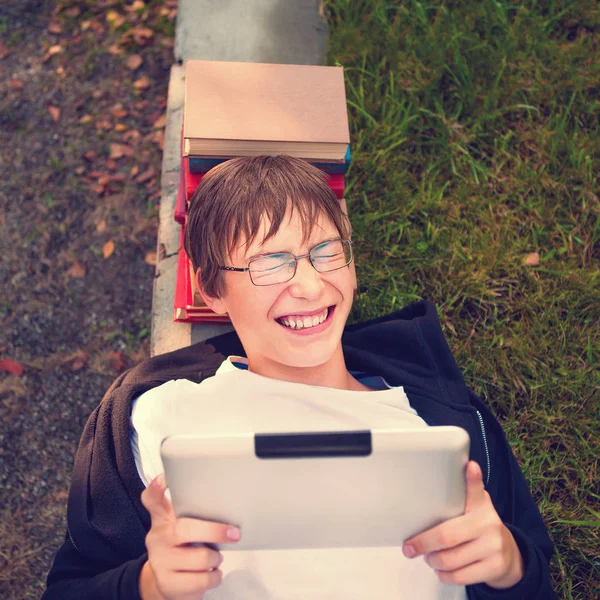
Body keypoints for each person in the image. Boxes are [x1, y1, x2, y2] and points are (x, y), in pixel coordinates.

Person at [43, 155, 556, 599]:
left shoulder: (445, 425)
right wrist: (149, 586)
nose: (311, 286)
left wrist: (509, 565)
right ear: (210, 289)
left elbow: (531, 582)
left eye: (326, 251)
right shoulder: (158, 414)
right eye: (270, 263)